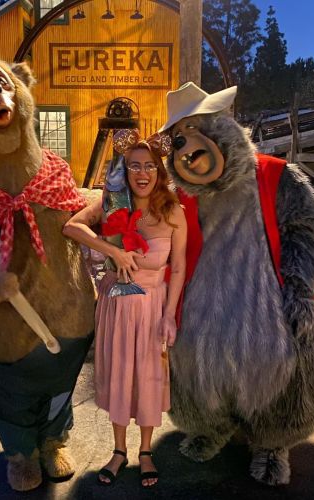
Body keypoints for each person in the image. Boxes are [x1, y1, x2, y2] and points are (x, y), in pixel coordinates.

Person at [63, 129, 186, 488]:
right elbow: (71, 226)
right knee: (119, 375)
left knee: (148, 377)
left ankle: (145, 451)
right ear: (125, 169)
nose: (142, 173)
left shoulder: (173, 210)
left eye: (149, 166)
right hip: (116, 304)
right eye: (134, 166)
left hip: (152, 307)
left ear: (159, 171)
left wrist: (169, 316)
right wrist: (113, 250)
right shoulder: (112, 203)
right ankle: (119, 450)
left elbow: (177, 268)